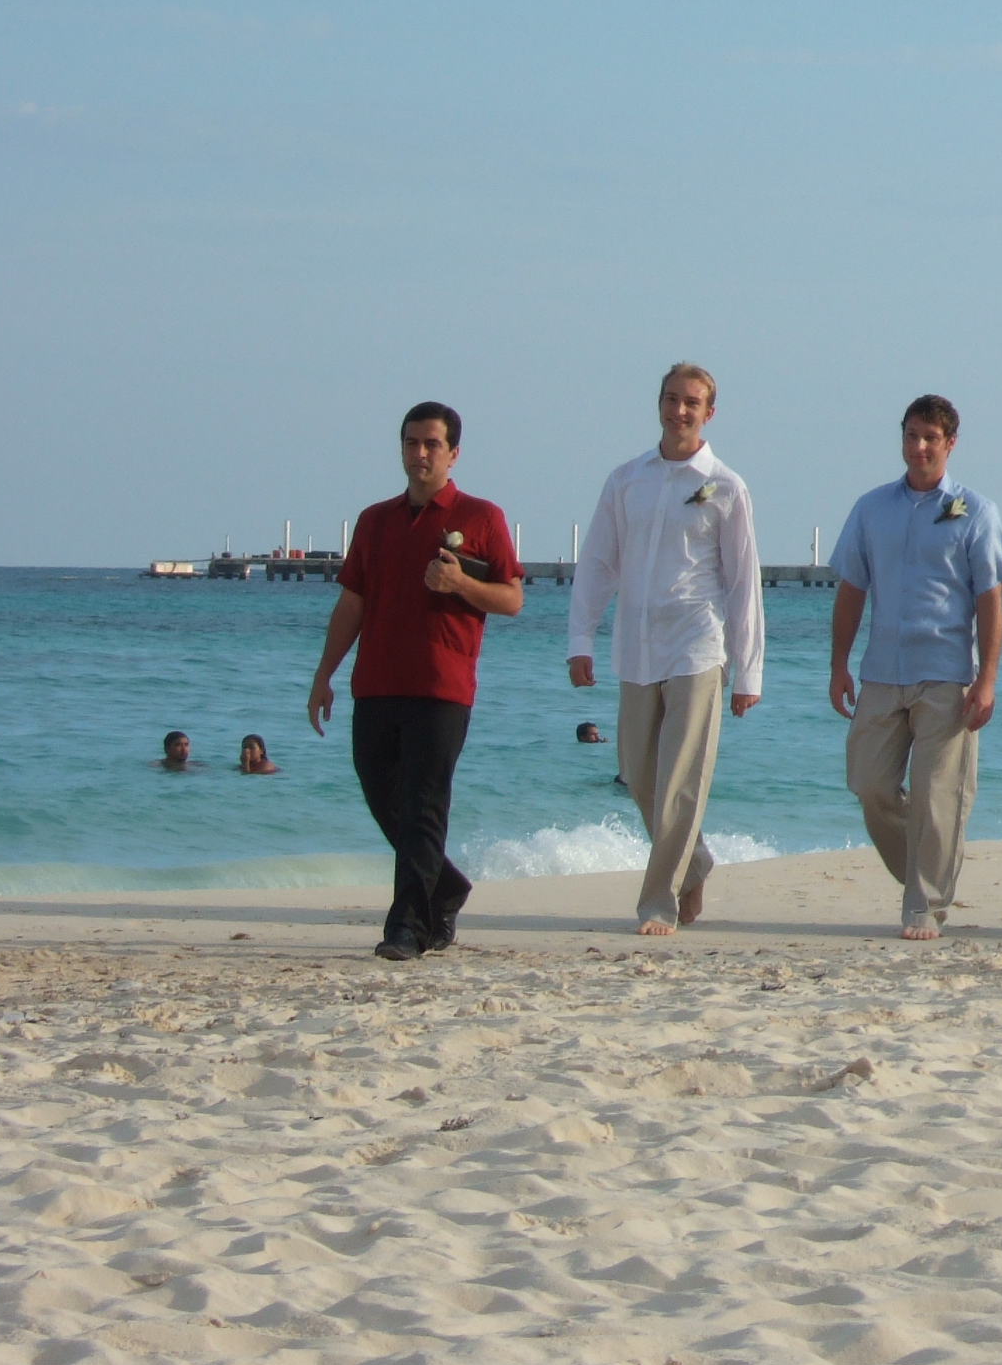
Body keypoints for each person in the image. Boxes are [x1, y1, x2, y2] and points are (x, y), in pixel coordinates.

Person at [308, 401, 524, 962]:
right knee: (383, 797)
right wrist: (324, 674)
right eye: (411, 442)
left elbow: (512, 599)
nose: (420, 453)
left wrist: (460, 586)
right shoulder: (374, 520)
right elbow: (351, 603)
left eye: (431, 444)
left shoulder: (481, 517)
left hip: (441, 686)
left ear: (453, 454)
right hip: (375, 682)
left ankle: (406, 927)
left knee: (424, 805)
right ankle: (445, 888)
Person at [568, 363, 764, 938]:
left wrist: (748, 671)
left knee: (680, 779)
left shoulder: (726, 486)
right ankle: (694, 861)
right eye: (672, 399)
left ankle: (658, 902)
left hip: (697, 647)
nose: (680, 411)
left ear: (709, 413)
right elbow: (598, 563)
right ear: (659, 404)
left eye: (692, 402)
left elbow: (742, 583)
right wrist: (581, 638)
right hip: (636, 648)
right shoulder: (626, 480)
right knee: (637, 772)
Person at [830, 394, 1002, 939]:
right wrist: (839, 664)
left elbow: (990, 600)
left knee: (939, 797)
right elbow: (851, 589)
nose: (919, 447)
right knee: (869, 785)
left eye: (931, 438)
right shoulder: (871, 509)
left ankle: (925, 905)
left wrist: (987, 679)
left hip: (947, 672)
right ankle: (924, 867)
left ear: (950, 443)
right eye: (911, 436)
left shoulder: (976, 511)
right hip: (881, 670)